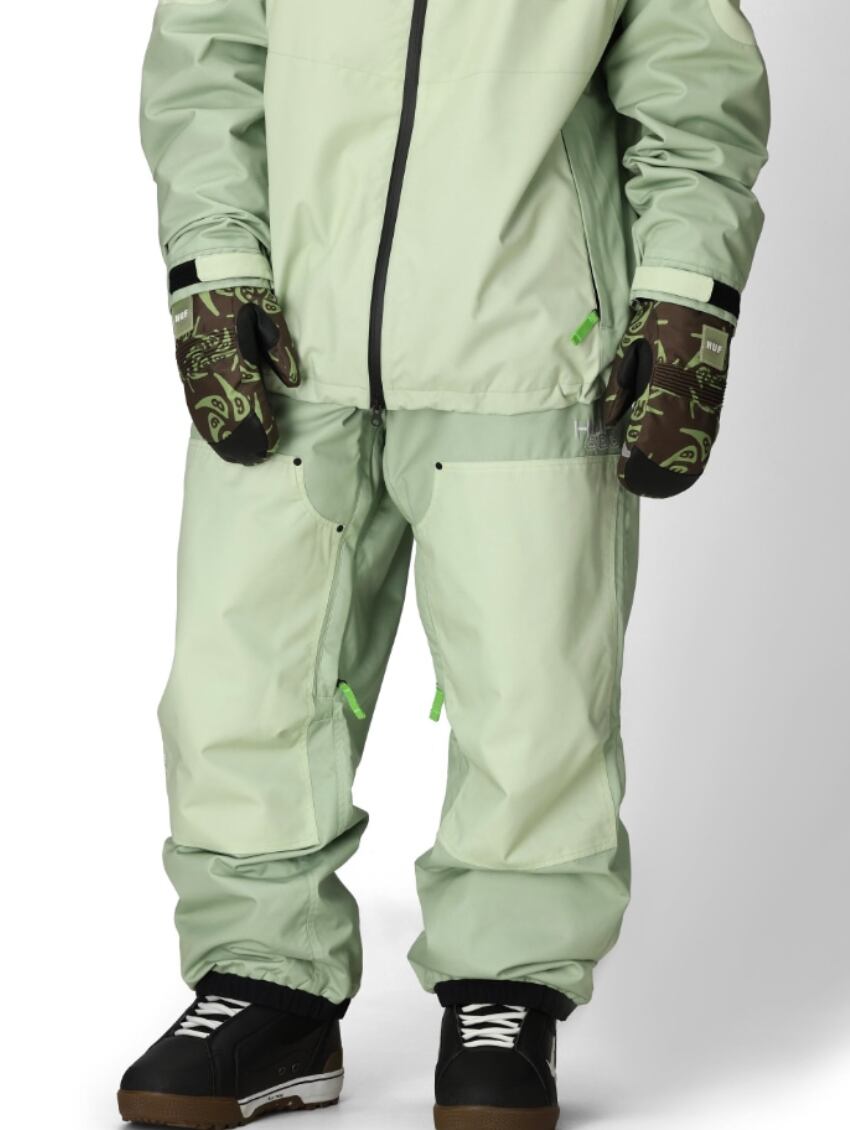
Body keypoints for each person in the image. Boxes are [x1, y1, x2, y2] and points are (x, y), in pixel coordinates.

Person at [118, 2, 769, 1127]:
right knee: (241, 679)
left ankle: (507, 990)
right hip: (290, 348)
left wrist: (686, 295)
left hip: (528, 342)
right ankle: (266, 984)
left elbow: (693, 89)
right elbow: (207, 56)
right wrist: (212, 261)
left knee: (535, 693)